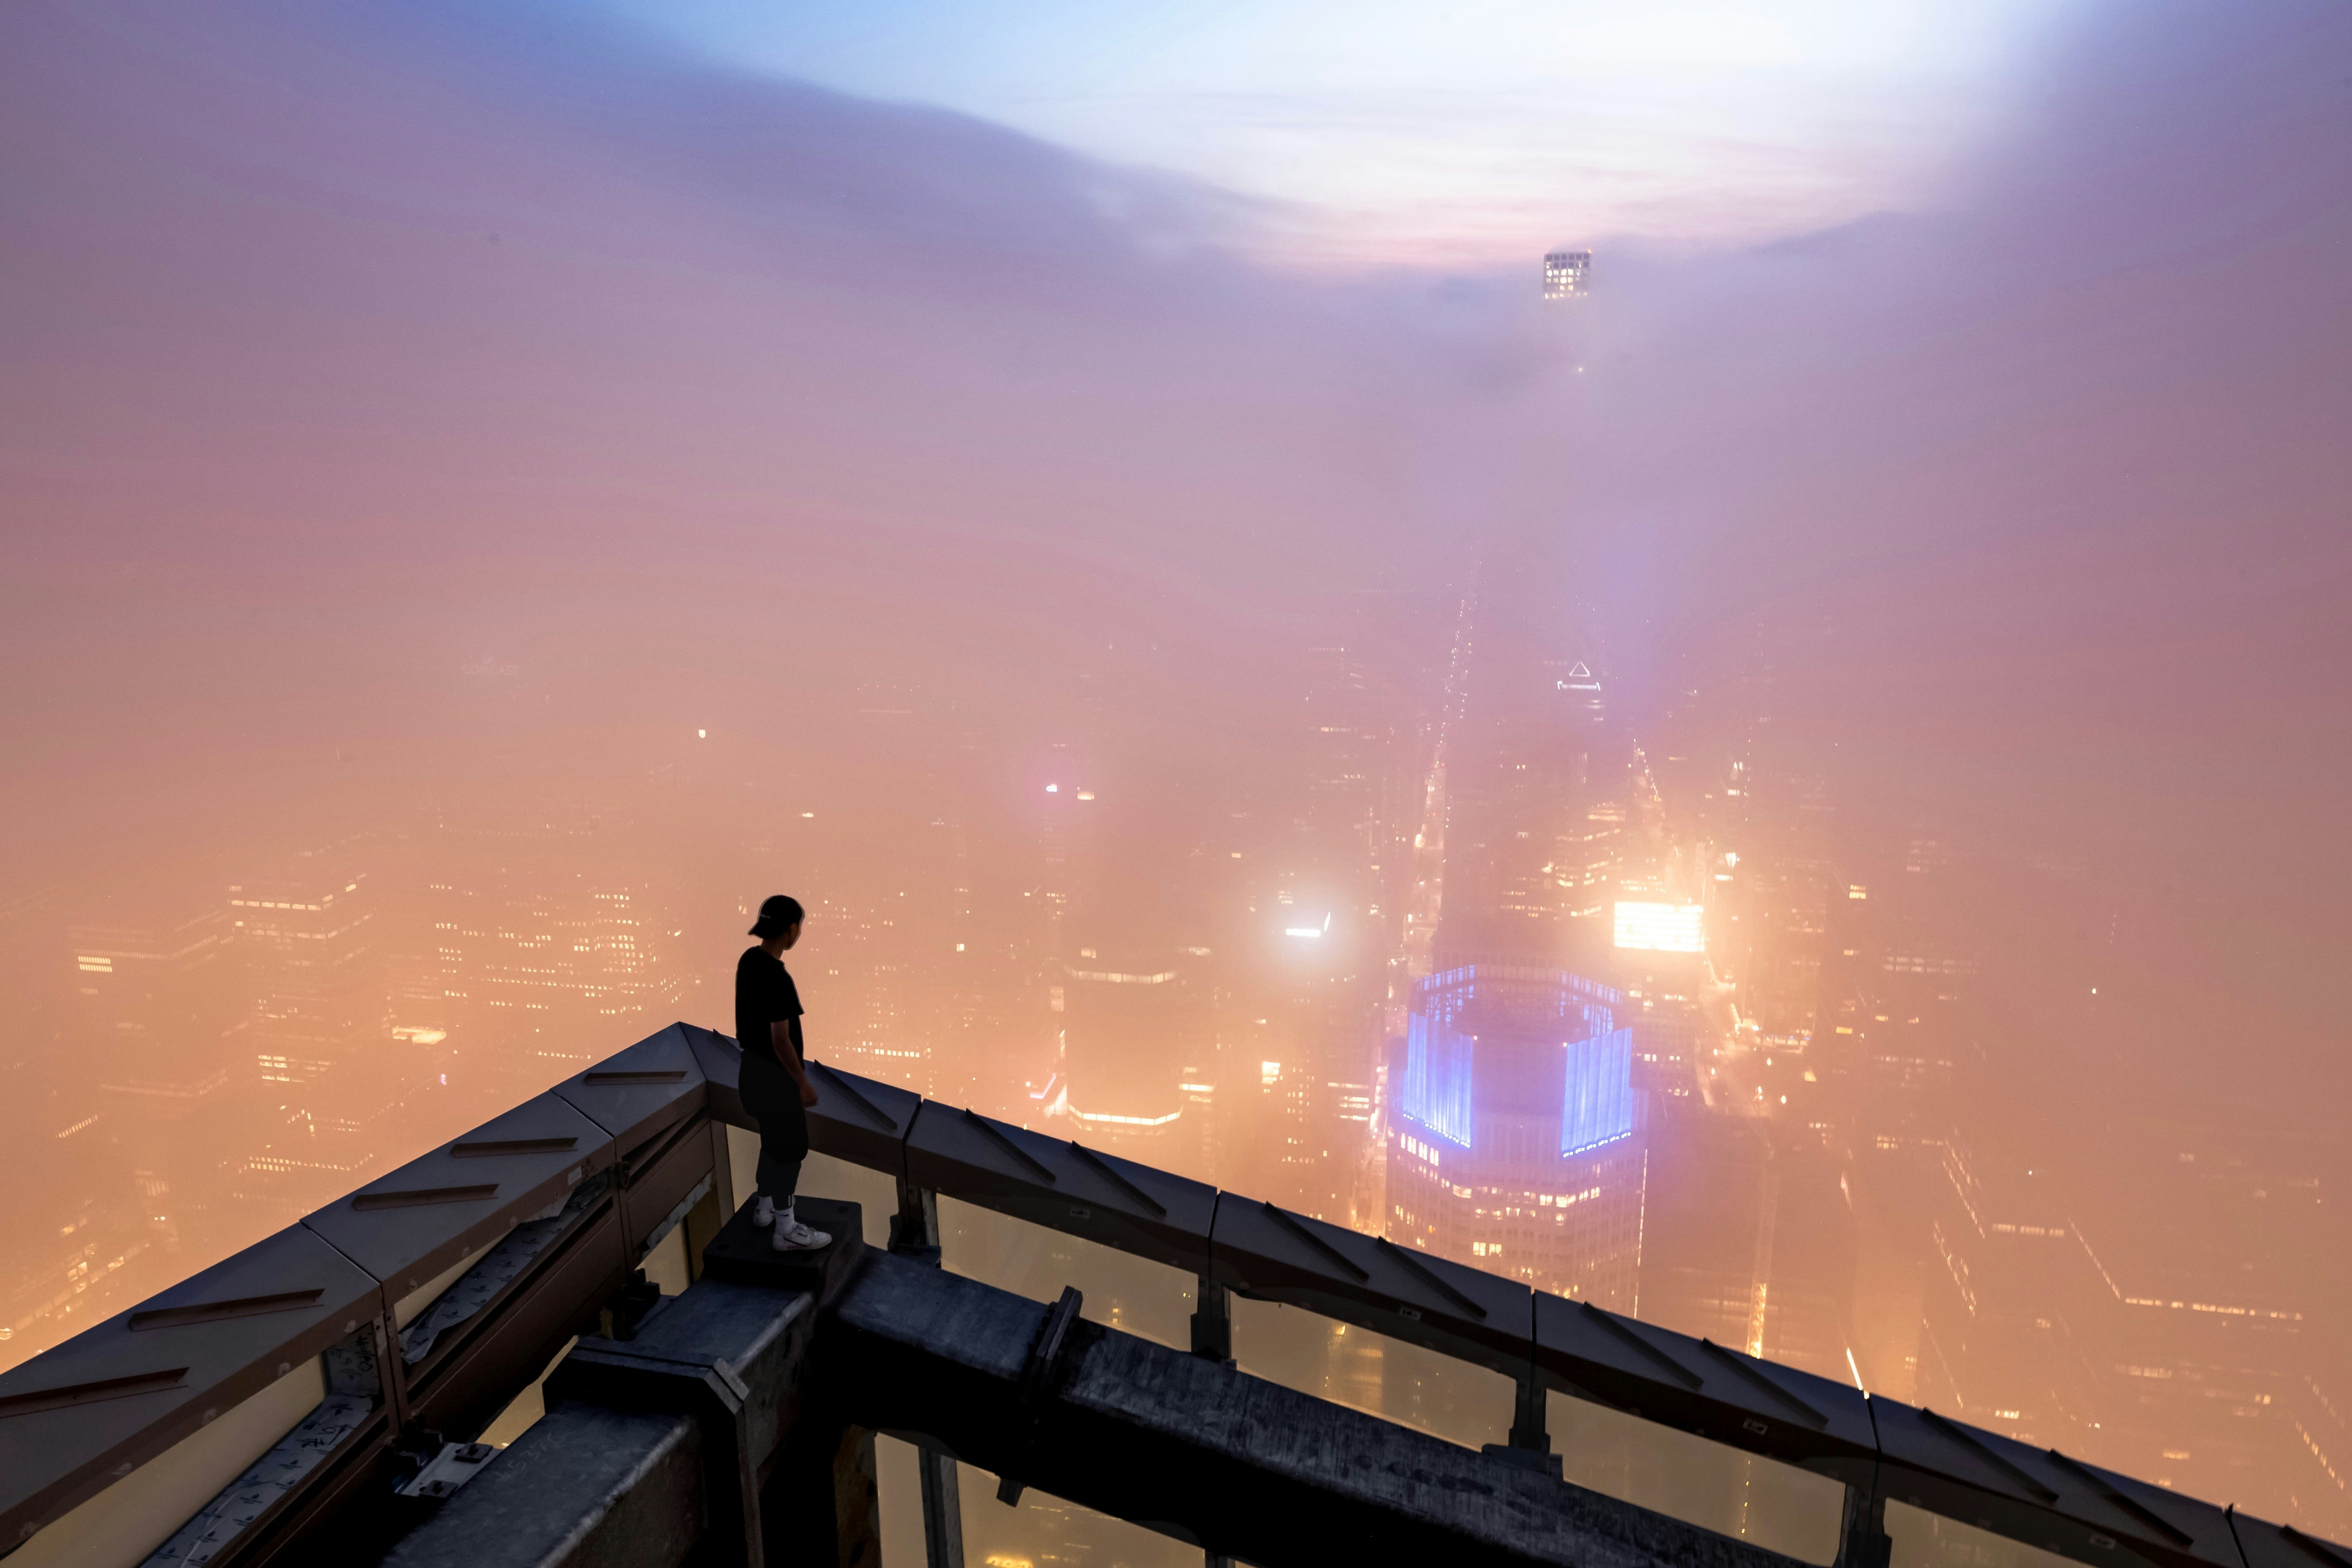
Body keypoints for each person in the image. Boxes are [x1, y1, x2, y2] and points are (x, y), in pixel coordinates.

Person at [735, 895, 831, 1251]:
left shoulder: (748, 961)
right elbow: (781, 1040)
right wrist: (802, 1083)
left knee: (771, 1143)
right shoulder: (778, 978)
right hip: (776, 1080)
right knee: (790, 1151)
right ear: (791, 930)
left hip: (750, 1073)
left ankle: (764, 1209)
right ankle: (786, 1230)